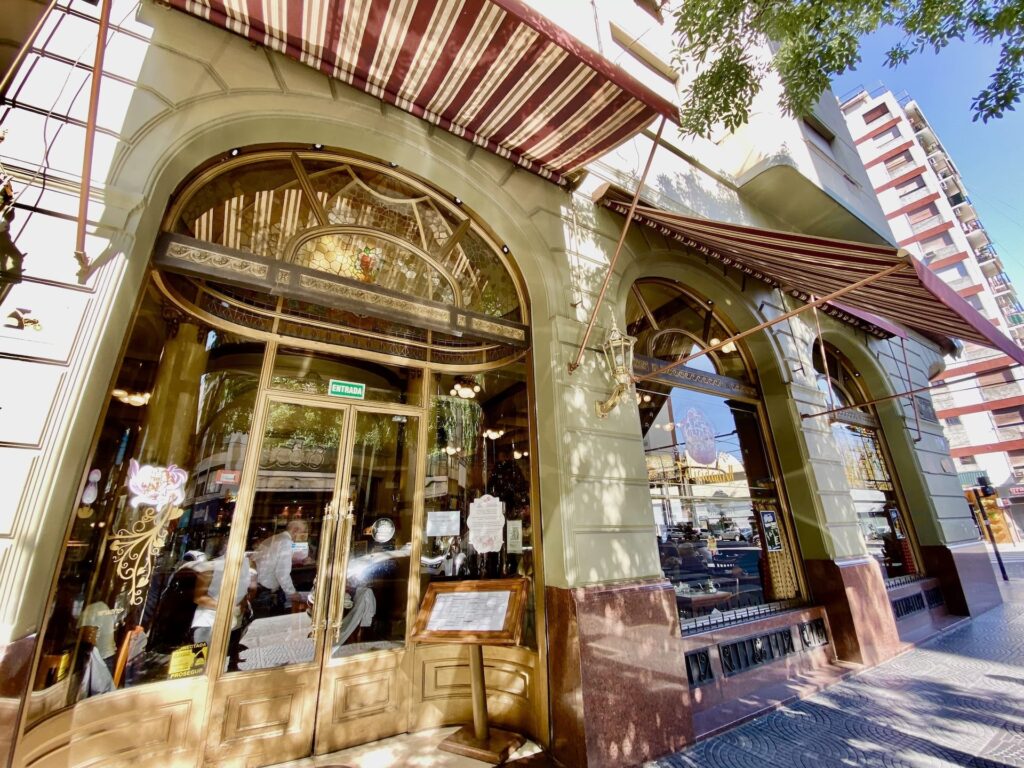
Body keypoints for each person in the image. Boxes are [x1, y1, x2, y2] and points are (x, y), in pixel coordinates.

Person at [251, 519, 308, 617]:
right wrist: (292, 593)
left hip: (258, 586)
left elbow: (301, 556)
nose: (303, 536)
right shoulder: (286, 542)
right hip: (266, 590)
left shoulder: (276, 538)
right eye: (302, 533)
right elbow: (282, 572)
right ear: (295, 530)